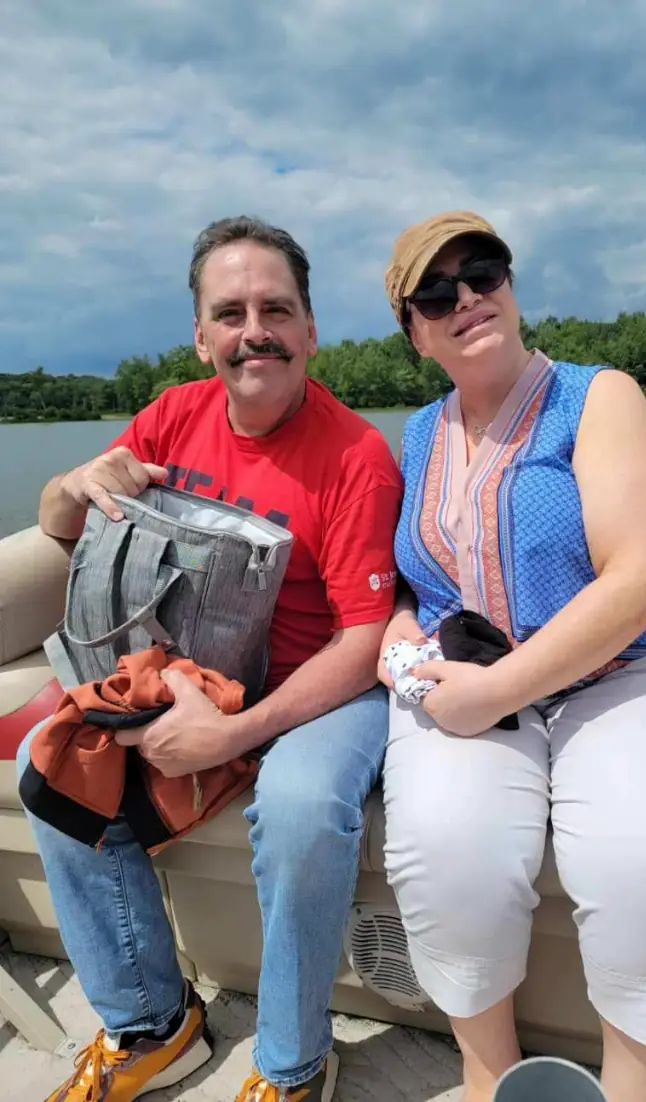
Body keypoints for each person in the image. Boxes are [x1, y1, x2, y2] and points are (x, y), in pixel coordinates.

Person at [18, 215, 403, 1102]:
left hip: (318, 690)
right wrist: (76, 483)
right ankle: (154, 1025)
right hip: (189, 674)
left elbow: (363, 641)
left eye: (276, 309)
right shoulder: (171, 416)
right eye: (230, 313)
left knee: (302, 809)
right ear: (201, 337)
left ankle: (294, 1064)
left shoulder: (357, 456)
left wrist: (234, 734)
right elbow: (55, 519)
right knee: (55, 759)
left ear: (310, 330)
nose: (254, 330)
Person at [378, 211, 646, 1102]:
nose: (467, 297)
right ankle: (488, 1076)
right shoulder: (419, 434)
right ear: (417, 334)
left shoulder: (597, 396)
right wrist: (400, 633)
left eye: (484, 272)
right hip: (470, 673)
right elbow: (419, 577)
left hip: (624, 672)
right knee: (443, 847)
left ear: (510, 284)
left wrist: (495, 689)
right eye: (436, 294)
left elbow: (640, 579)